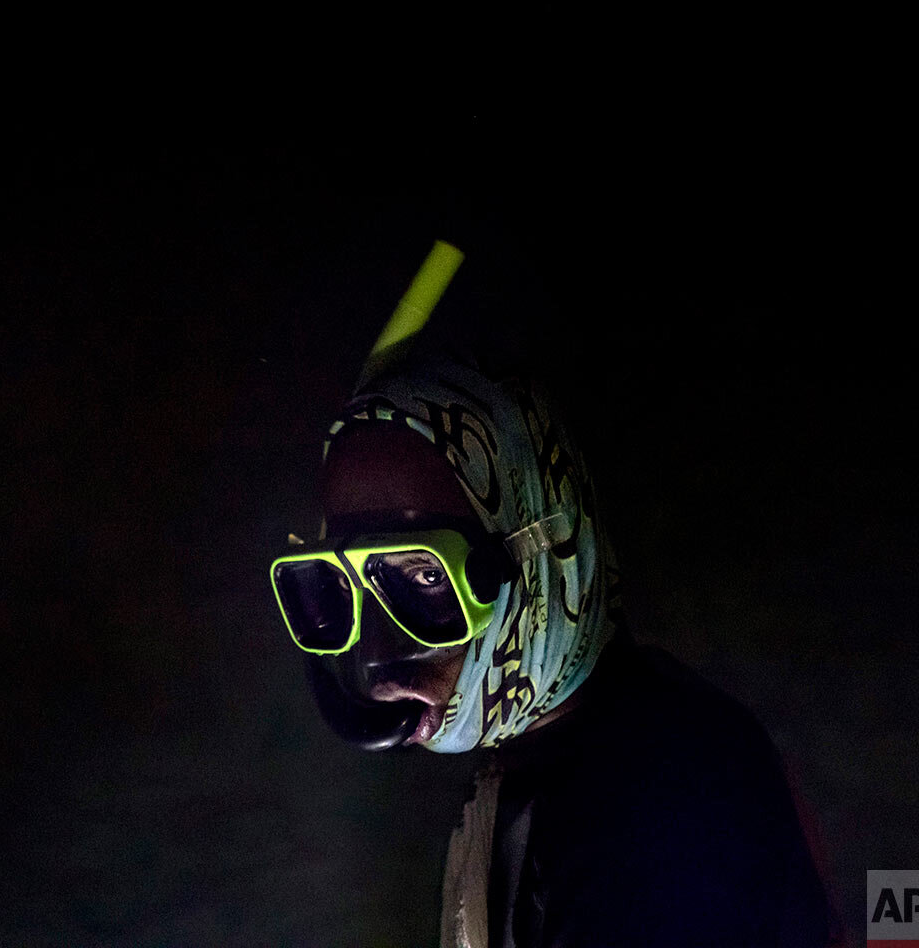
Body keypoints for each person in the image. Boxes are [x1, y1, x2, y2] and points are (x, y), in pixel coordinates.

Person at [269, 266, 843, 946]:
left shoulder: (662, 799)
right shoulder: (546, 757)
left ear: (543, 545)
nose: (374, 654)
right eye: (337, 587)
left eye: (423, 579)